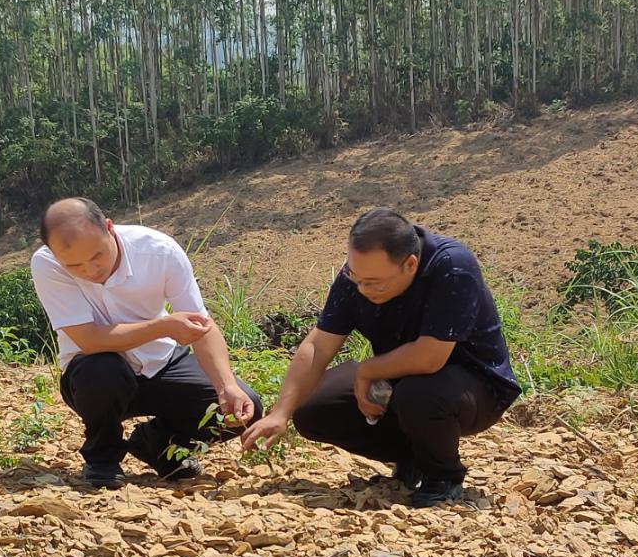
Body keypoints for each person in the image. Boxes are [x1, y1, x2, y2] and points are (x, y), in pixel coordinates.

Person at [241, 207, 520, 508]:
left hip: (473, 386)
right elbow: (318, 346)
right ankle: (411, 456)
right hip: (399, 380)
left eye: (373, 282)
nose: (362, 289)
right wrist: (281, 412)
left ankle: (442, 476)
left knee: (419, 393)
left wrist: (367, 371)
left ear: (410, 264)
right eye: (355, 276)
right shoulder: (358, 278)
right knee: (314, 410)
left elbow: (430, 357)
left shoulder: (451, 266)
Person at [31, 198, 262, 489]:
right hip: (93, 377)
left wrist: (226, 385)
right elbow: (89, 340)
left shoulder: (158, 252)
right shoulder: (46, 264)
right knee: (102, 369)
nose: (91, 270)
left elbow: (201, 327)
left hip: (162, 363)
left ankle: (158, 445)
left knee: (246, 404)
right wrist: (163, 325)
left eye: (97, 256)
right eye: (74, 265)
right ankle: (102, 458)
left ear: (110, 229)